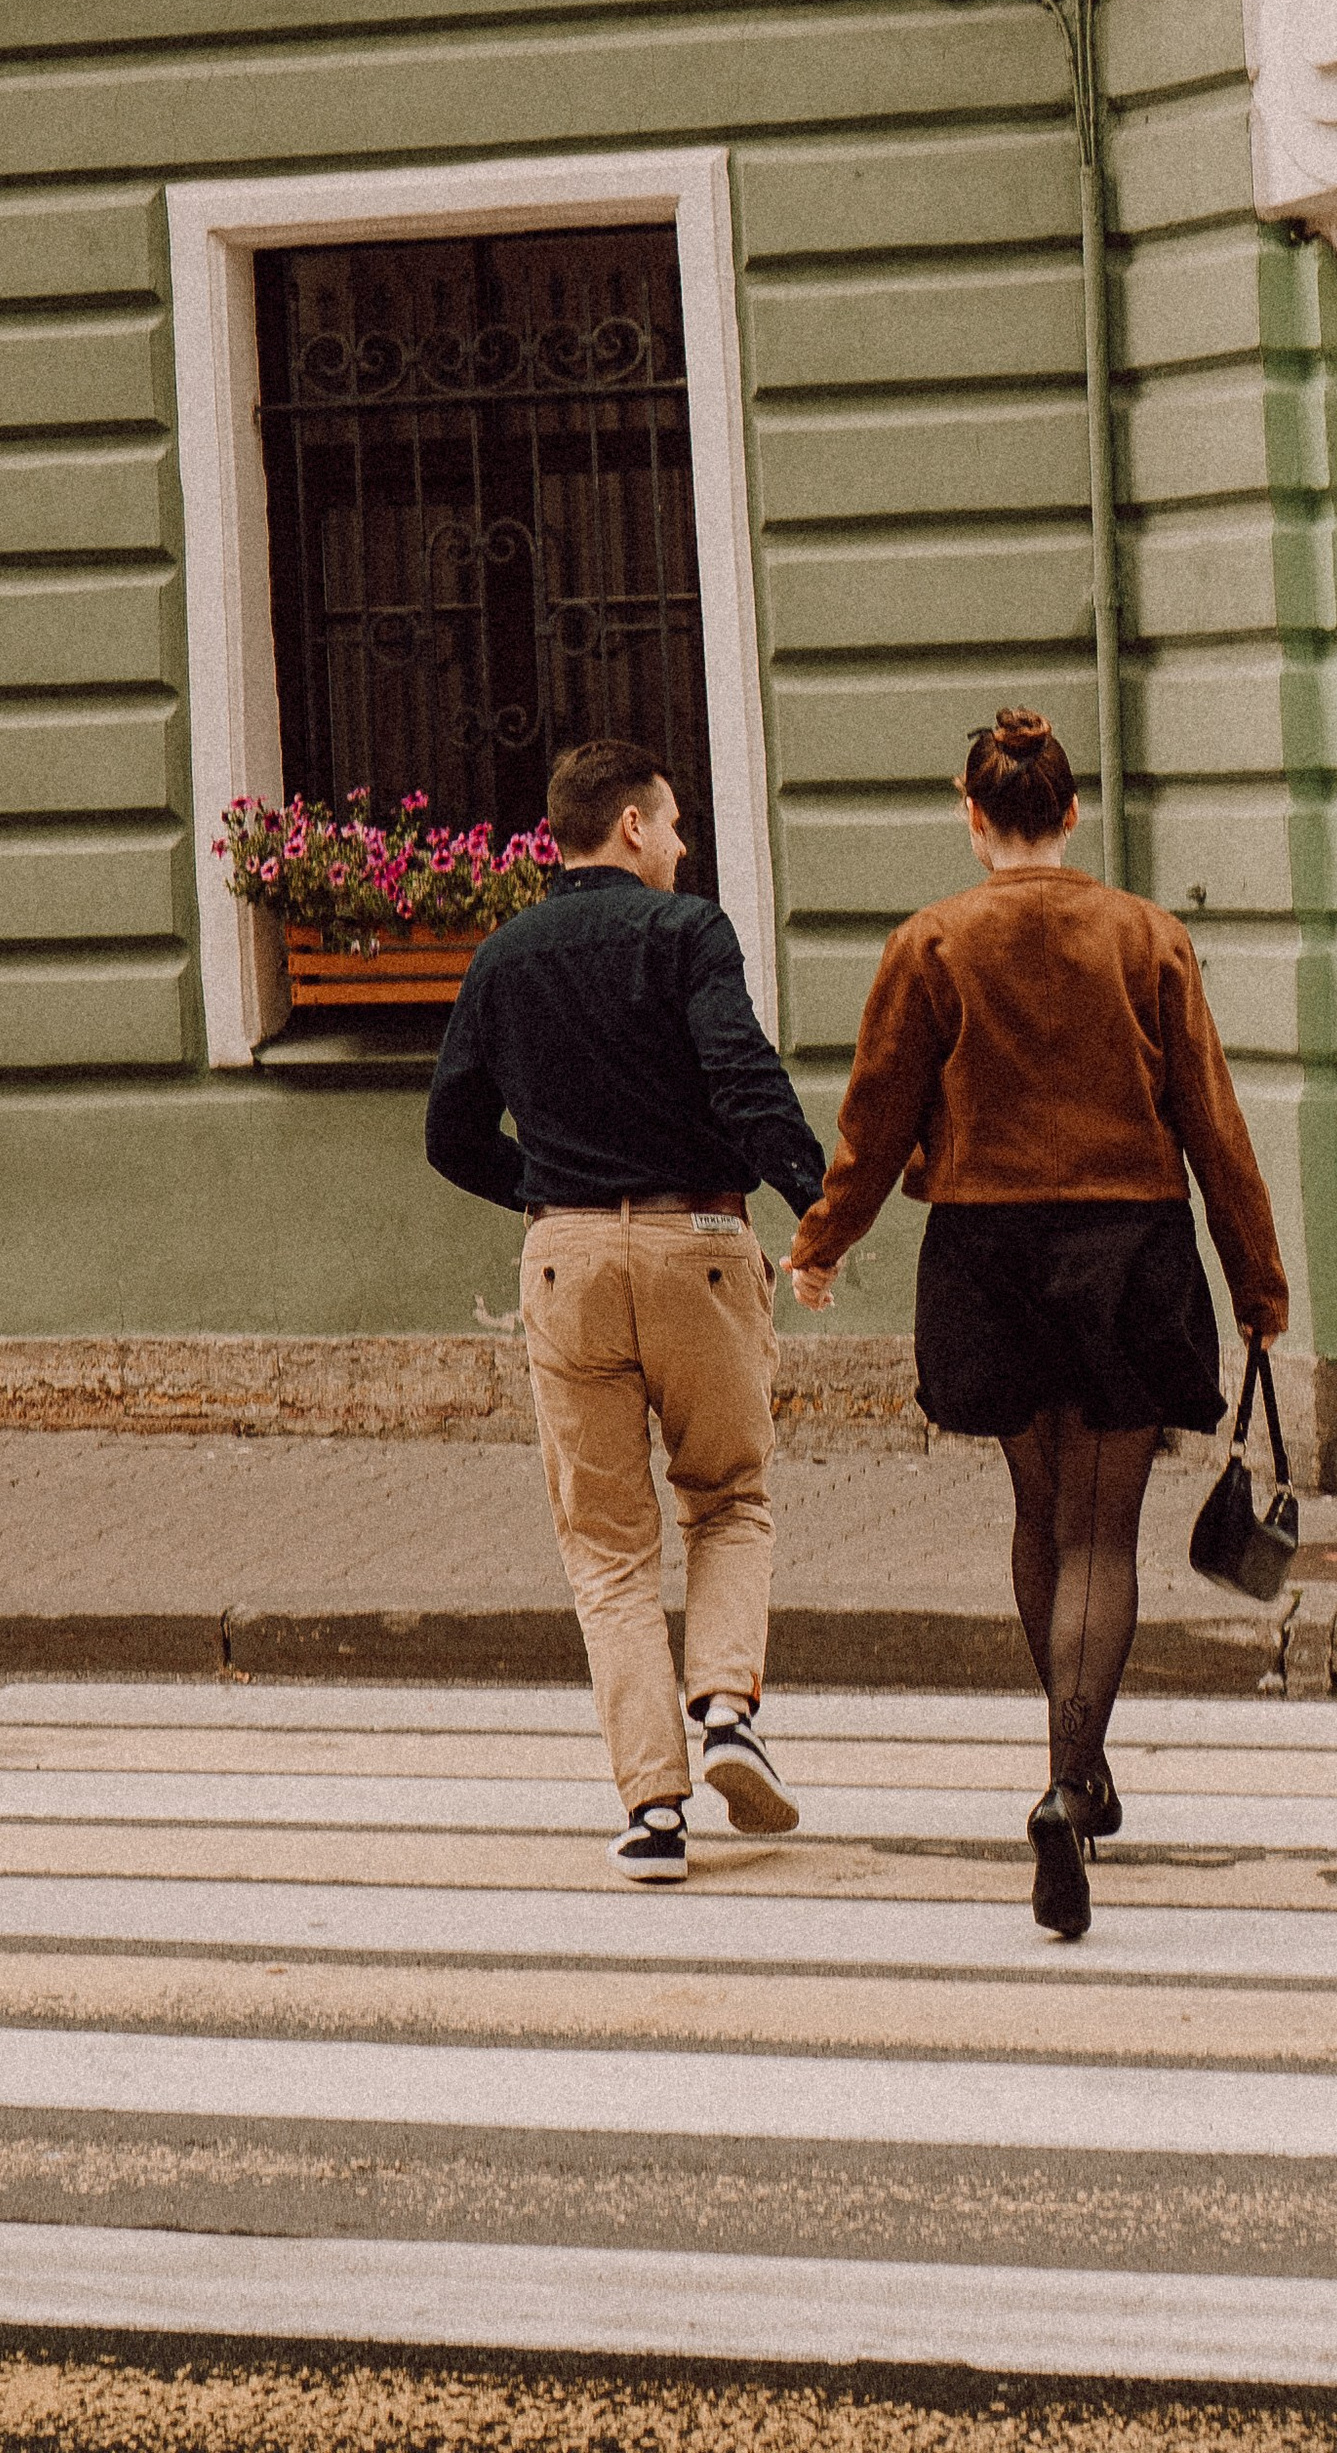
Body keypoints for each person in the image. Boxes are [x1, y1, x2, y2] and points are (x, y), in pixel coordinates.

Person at [786, 705, 1288, 1941]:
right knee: (1102, 1533)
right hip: (1127, 1248)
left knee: (1036, 1512)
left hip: (989, 1250)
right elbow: (1211, 1126)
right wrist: (1259, 1288)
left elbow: (877, 1117)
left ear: (973, 818)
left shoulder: (931, 943)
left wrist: (821, 1243)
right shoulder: (1145, 936)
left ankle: (1074, 1765)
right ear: (1070, 814)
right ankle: (1074, 1776)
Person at [426, 737, 826, 1884]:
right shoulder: (687, 930)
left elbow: (450, 1134)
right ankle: (728, 1711)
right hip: (699, 1243)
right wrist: (816, 1201)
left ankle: (652, 1810)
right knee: (730, 1498)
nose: (686, 843)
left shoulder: (502, 956)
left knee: (605, 1551)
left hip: (565, 1267)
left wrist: (547, 1199)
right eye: (676, 821)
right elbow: (739, 1070)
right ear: (635, 827)